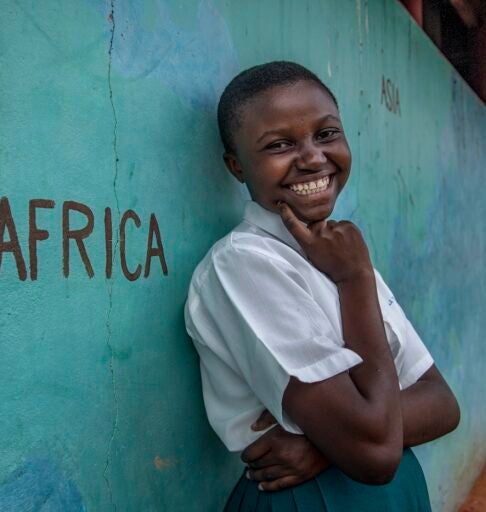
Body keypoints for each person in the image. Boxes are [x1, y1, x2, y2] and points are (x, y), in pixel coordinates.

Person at [184, 61, 460, 511]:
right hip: (310, 500)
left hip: (392, 491)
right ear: (237, 167)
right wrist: (354, 282)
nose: (313, 158)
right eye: (279, 144)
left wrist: (320, 446)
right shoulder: (243, 266)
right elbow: (372, 451)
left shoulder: (339, 252)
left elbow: (442, 403)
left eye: (327, 134)